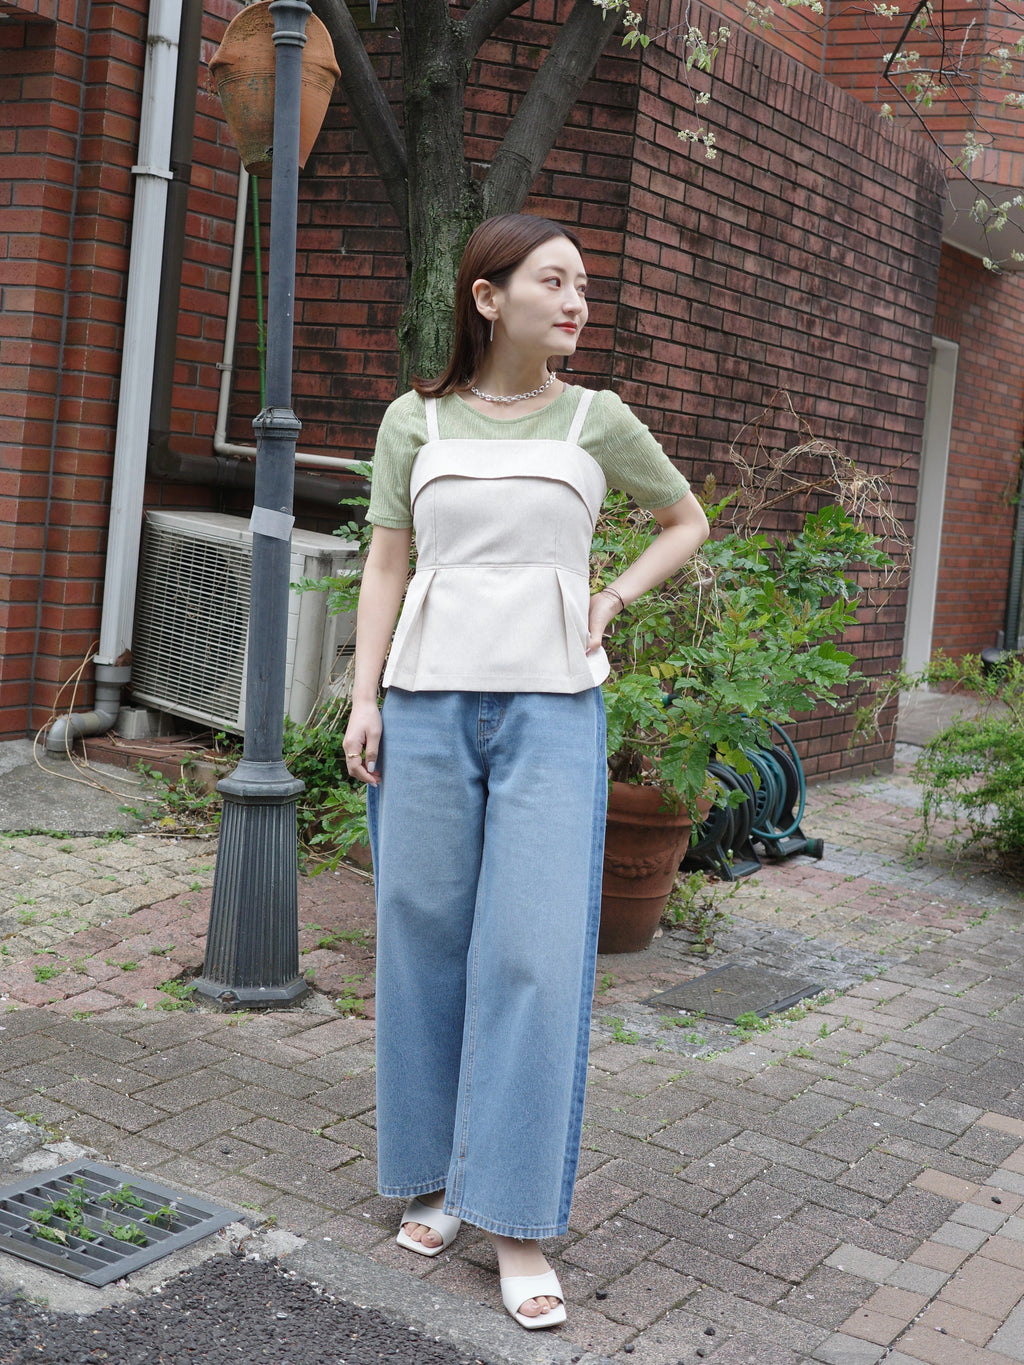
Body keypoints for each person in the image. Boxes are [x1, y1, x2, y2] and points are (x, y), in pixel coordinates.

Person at [343, 213, 709, 1330]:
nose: (577, 300)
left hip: (552, 708)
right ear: (488, 296)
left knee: (535, 956)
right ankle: (436, 1176)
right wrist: (364, 696)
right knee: (421, 939)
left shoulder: (597, 419)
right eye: (554, 281)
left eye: (584, 284)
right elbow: (387, 561)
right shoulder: (415, 420)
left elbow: (684, 520)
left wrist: (611, 597)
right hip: (426, 703)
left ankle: (515, 1220)